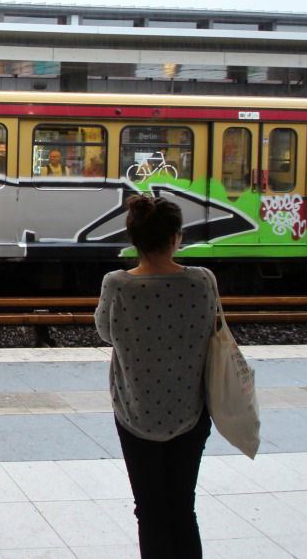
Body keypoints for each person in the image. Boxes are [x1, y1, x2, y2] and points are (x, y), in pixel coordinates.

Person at [95, 195, 218, 559]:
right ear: (176, 237)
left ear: (134, 239)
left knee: (149, 510)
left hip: (136, 413)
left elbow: (105, 332)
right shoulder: (202, 281)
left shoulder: (116, 284)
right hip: (191, 413)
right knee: (183, 508)